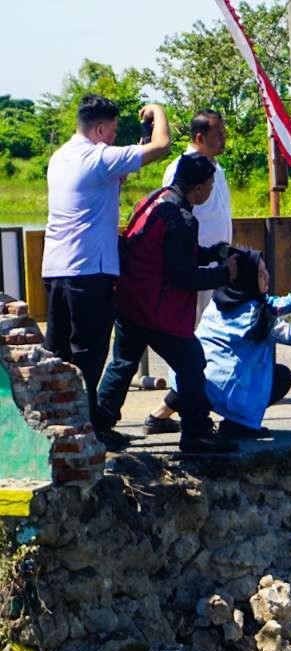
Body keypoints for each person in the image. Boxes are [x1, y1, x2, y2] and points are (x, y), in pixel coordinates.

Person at [95, 154, 239, 453]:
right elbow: (181, 276)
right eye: (210, 184)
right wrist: (224, 274)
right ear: (198, 188)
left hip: (129, 300)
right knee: (192, 363)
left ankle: (100, 426)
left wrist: (211, 254)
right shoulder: (182, 218)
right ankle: (196, 432)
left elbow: (170, 254)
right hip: (157, 310)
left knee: (122, 364)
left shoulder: (155, 200)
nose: (211, 190)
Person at [43, 94, 171, 432]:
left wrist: (132, 148)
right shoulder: (97, 157)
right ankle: (89, 432)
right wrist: (157, 111)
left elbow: (112, 179)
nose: (115, 137)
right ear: (99, 128)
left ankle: (58, 427)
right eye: (113, 131)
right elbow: (162, 146)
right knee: (88, 356)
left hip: (56, 269)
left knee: (57, 354)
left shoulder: (60, 157)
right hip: (89, 271)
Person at [144, 250, 291, 439]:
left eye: (266, 272)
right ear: (247, 279)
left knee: (197, 377)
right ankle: (237, 424)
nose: (267, 277)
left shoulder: (221, 299)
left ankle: (157, 417)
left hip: (192, 378)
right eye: (261, 274)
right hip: (228, 391)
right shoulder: (257, 318)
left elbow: (266, 302)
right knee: (281, 377)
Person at [162, 110, 234, 322]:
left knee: (212, 328)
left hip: (217, 263)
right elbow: (170, 216)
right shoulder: (181, 168)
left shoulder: (216, 167)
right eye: (218, 134)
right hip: (194, 267)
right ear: (200, 138)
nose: (224, 139)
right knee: (192, 326)